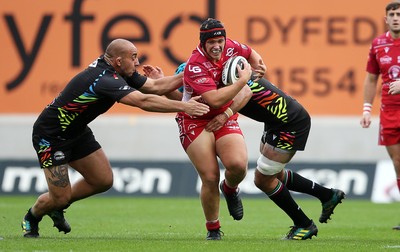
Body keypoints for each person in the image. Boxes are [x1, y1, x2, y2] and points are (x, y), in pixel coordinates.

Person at [21, 38, 210, 238]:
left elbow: (155, 87)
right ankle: (32, 217)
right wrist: (184, 106)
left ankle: (58, 204)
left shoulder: (120, 72)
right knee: (59, 198)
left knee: (102, 180)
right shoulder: (104, 79)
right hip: (51, 136)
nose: (137, 62)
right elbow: (143, 101)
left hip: (76, 132)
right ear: (118, 61)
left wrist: (195, 70)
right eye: (134, 57)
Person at [205, 77, 345, 240]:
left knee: (262, 179)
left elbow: (243, 92)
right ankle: (327, 195)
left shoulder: (229, 83)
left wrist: (224, 114)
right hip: (277, 121)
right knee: (273, 173)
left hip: (290, 125)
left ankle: (304, 224)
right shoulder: (235, 72)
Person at [175, 18, 266, 240]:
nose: (217, 46)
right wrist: (242, 81)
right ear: (203, 43)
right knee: (209, 175)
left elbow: (251, 52)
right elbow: (214, 100)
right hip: (194, 120)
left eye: (220, 40)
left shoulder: (231, 46)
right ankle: (213, 229)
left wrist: (259, 66)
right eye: (212, 42)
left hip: (224, 116)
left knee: (237, 166)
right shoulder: (195, 64)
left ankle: (231, 189)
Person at [360, 1, 400, 230]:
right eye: (392, 14)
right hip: (389, 111)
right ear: (386, 19)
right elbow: (371, 78)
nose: (396, 18)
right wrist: (367, 109)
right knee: (397, 163)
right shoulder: (378, 43)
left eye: (399, 14)